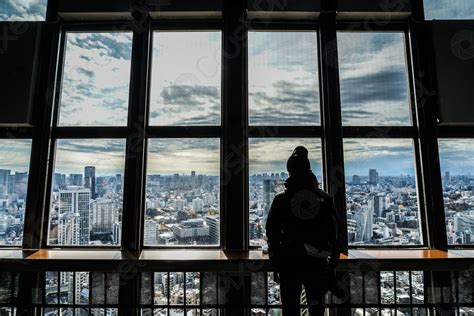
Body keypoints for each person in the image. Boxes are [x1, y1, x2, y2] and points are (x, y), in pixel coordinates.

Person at [266, 146, 341, 316]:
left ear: (290, 172)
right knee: (316, 310)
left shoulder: (281, 201)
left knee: (290, 310)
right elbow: (337, 235)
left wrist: (276, 261)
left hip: (288, 263)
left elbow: (272, 233)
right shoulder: (325, 200)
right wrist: (331, 268)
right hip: (317, 264)